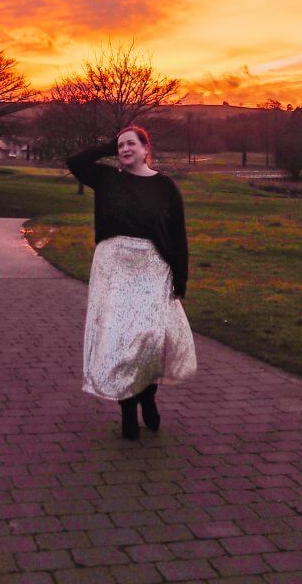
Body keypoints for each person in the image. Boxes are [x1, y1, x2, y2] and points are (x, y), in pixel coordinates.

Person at [66, 124, 197, 440]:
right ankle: (127, 411)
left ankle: (147, 397)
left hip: (153, 267)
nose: (124, 149)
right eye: (120, 145)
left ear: (145, 149)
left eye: (130, 144)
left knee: (150, 338)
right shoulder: (107, 179)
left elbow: (178, 235)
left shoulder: (165, 187)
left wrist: (180, 276)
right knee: (121, 339)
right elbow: (75, 163)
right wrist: (106, 146)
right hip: (114, 268)